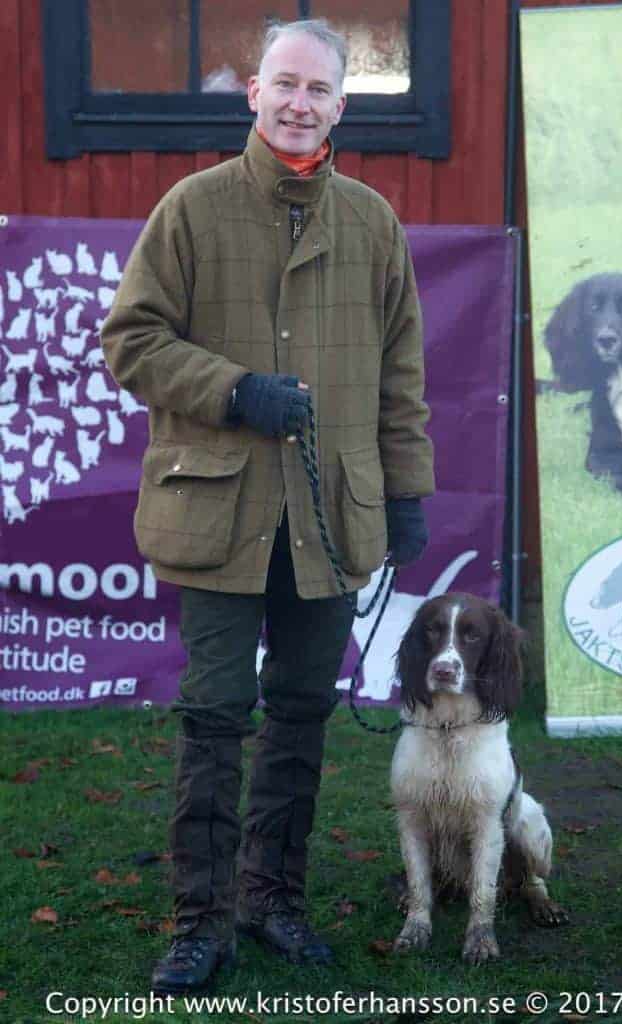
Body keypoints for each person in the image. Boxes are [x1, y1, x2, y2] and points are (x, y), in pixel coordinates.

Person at [101, 18, 434, 994]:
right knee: (213, 716)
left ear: (338, 105)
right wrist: (233, 389)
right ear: (252, 91)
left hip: (332, 515)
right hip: (217, 515)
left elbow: (401, 379)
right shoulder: (191, 209)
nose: (297, 103)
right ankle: (199, 922)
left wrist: (405, 492)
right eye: (282, 84)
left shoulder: (372, 223)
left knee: (299, 712)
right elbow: (131, 338)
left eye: (317, 90)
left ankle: (270, 899)